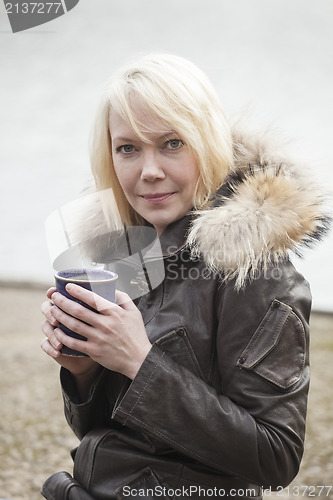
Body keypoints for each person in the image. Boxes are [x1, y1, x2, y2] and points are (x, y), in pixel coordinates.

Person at [40, 54, 330, 500]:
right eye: (128, 148)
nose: (148, 170)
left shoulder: (256, 272)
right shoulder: (127, 255)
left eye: (172, 143)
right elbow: (105, 434)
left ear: (208, 142)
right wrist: (83, 371)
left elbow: (275, 459)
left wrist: (138, 361)